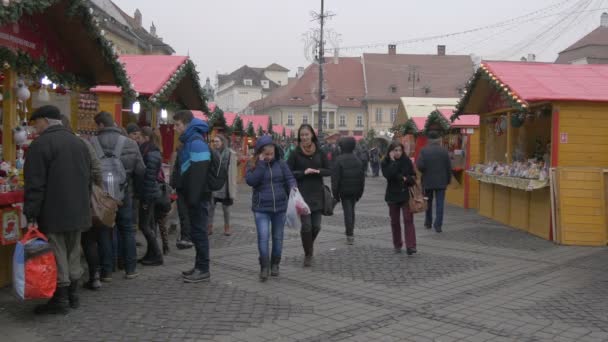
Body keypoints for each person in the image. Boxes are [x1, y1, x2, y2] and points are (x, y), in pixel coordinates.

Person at [24, 106, 93, 314]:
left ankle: (60, 298)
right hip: (79, 208)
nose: (35, 127)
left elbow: (35, 184)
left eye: (36, 122)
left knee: (58, 252)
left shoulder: (41, 144)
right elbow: (89, 177)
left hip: (53, 209)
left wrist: (31, 213)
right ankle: (73, 294)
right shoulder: (79, 143)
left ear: (45, 121)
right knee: (73, 251)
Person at [94, 111, 145, 279]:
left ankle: (107, 271)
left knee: (104, 230)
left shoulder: (92, 143)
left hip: (102, 195)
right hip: (124, 193)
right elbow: (140, 170)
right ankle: (130, 269)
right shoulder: (130, 143)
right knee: (127, 230)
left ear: (100, 125)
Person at [58, 116, 106, 291]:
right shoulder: (83, 144)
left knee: (63, 242)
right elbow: (97, 168)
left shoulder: (49, 144)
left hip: (60, 201)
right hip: (83, 198)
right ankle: (94, 276)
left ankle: (65, 282)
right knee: (88, 239)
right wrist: (98, 191)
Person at [246, 136, 297, 281]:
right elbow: (251, 181)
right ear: (259, 153)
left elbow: (289, 178)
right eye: (266, 154)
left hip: (280, 207)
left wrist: (293, 186)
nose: (269, 157)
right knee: (263, 237)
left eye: (271, 154)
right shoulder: (253, 164)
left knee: (278, 237)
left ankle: (275, 263)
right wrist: (261, 164)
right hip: (261, 208)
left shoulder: (281, 164)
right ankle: (264, 266)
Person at [173, 110, 212, 283]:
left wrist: (193, 198)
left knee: (200, 233)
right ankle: (198, 266)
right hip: (193, 195)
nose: (175, 128)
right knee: (197, 233)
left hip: (198, 197)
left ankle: (203, 269)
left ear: (187, 124)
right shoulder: (191, 140)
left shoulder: (196, 142)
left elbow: (199, 173)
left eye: (177, 125)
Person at [287, 124, 330, 267]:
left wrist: (318, 171)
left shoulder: (320, 152)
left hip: (317, 193)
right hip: (302, 195)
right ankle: (308, 254)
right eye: (302, 135)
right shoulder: (295, 153)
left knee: (316, 227)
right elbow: (288, 172)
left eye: (307, 134)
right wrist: (302, 173)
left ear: (312, 135)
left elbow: (329, 170)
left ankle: (308, 244)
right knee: (306, 226)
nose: (304, 137)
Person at [382, 141, 418, 255]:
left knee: (408, 220)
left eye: (400, 150)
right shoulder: (386, 162)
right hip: (392, 195)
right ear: (390, 152)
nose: (398, 153)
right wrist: (393, 162)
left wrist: (405, 178)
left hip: (406, 195)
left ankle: (411, 246)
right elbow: (388, 175)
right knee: (395, 222)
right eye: (395, 150)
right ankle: (397, 244)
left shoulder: (406, 161)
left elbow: (413, 176)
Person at [135, 127, 164, 266]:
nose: (137, 140)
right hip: (150, 193)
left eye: (139, 137)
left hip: (149, 194)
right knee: (149, 225)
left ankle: (157, 255)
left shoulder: (150, 152)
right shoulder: (150, 150)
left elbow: (149, 179)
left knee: (144, 225)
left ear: (146, 137)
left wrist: (145, 200)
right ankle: (151, 253)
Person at [331, 137, 365, 245]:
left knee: (348, 211)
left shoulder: (339, 160)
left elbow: (335, 179)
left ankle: (349, 233)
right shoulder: (357, 160)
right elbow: (362, 178)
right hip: (355, 190)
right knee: (352, 209)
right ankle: (350, 231)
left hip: (344, 190)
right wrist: (360, 192)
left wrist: (335, 194)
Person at [416, 130, 452, 233]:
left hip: (428, 182)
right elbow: (448, 167)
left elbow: (420, 166)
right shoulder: (444, 151)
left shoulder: (424, 151)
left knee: (428, 202)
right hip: (441, 182)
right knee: (440, 203)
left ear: (429, 140)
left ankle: (428, 222)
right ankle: (438, 225)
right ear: (438, 140)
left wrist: (425, 171)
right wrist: (448, 180)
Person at [208, 135, 237, 236]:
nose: (215, 143)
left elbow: (233, 171)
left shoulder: (230, 154)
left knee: (226, 209)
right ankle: (209, 227)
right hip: (213, 183)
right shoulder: (210, 152)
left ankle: (227, 227)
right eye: (214, 141)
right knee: (210, 207)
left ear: (222, 142)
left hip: (225, 184)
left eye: (217, 141)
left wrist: (233, 186)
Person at [170, 145, 193, 250]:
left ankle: (187, 237)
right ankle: (186, 237)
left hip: (187, 187)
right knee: (185, 213)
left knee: (186, 213)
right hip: (183, 186)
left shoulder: (183, 151)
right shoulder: (181, 151)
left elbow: (175, 170)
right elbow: (175, 169)